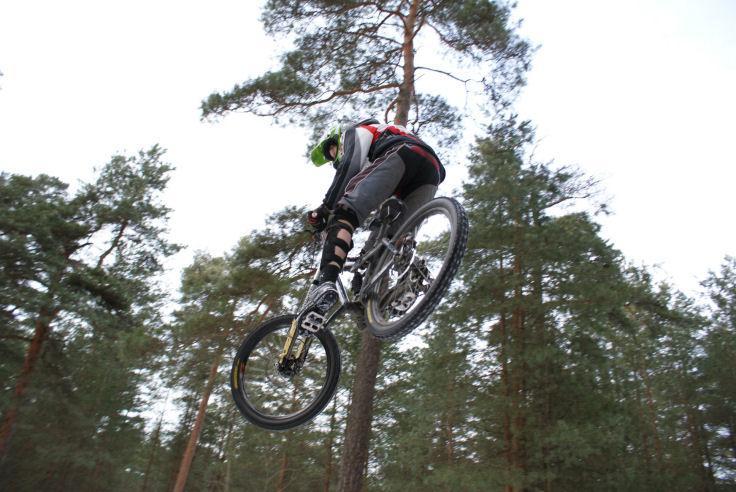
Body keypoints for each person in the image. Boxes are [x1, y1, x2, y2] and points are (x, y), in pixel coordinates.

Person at [301, 118, 446, 320]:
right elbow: (375, 200)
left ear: (338, 138)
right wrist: (365, 256)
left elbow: (349, 167)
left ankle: (327, 282)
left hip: (402, 153)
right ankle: (409, 278)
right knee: (391, 240)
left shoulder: (357, 131)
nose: (335, 158)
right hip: (431, 173)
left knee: (344, 212)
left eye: (333, 150)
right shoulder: (381, 146)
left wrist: (326, 209)